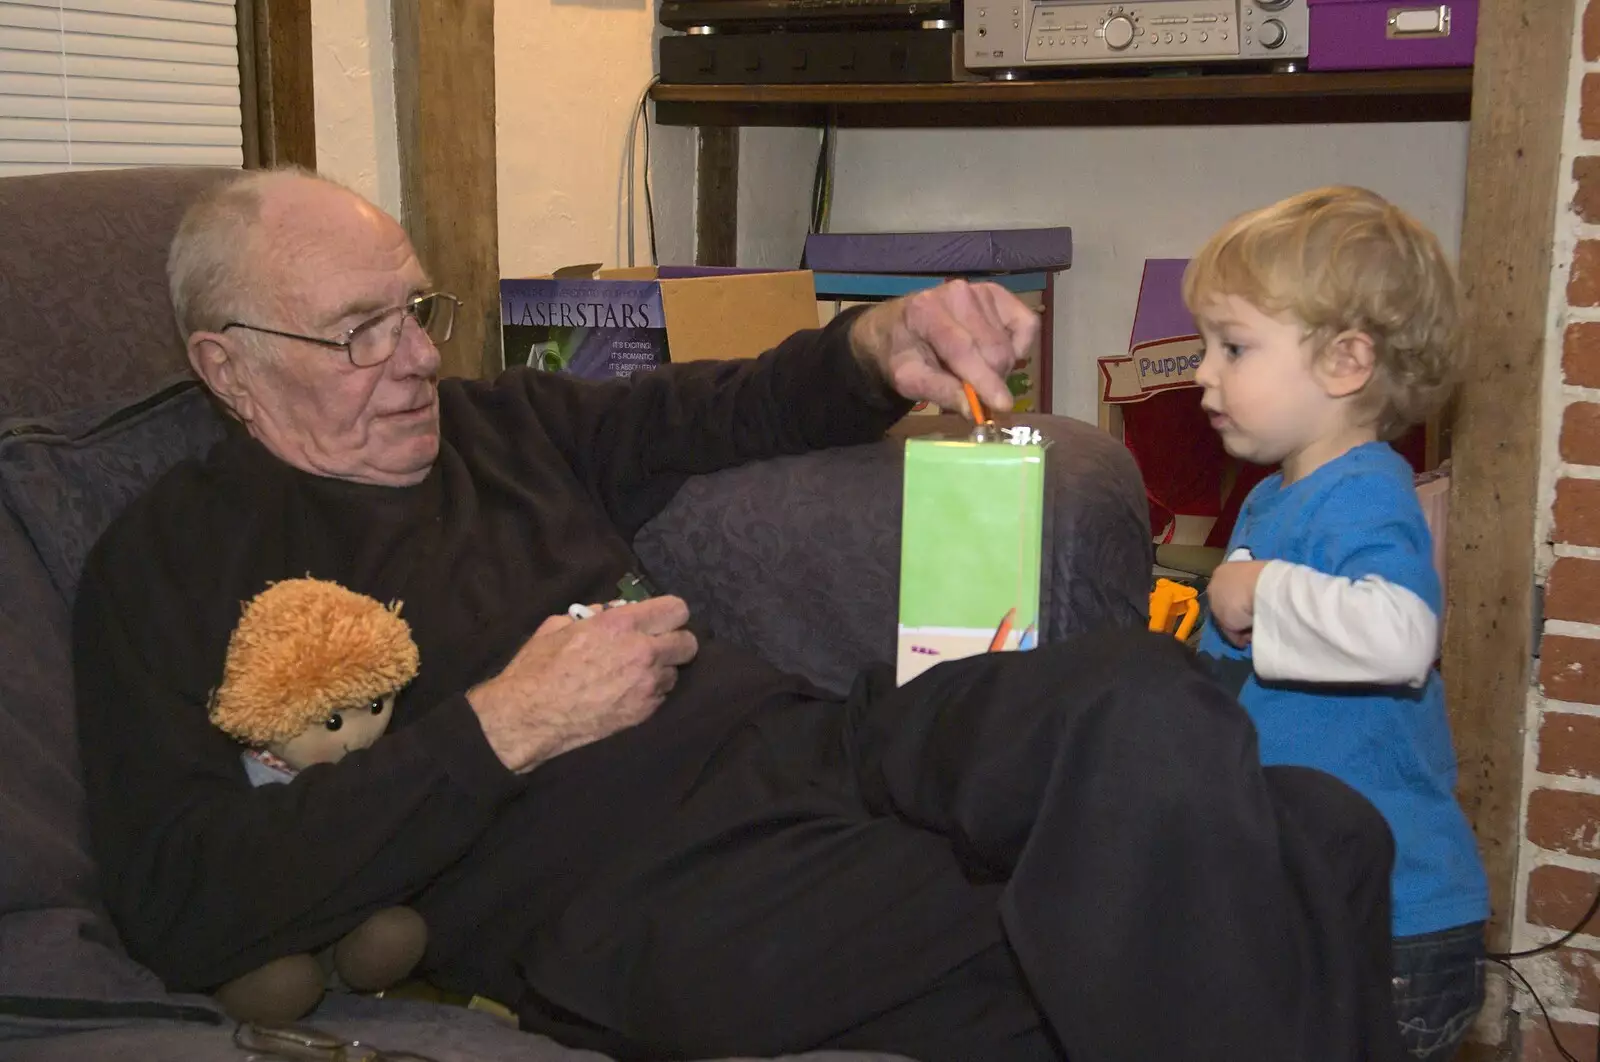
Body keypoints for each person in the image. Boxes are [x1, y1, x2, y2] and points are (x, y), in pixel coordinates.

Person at [74, 167, 1401, 1062]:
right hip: (638, 900)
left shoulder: (498, 426)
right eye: (359, 332)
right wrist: (503, 724)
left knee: (1139, 693)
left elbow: (715, 407)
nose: (418, 355)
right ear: (228, 367)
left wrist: (875, 349)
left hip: (825, 744)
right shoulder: (171, 565)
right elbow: (180, 900)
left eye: (416, 308)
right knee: (1307, 839)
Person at [1187, 186, 1490, 1060]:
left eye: (1234, 345)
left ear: (1346, 362)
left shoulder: (1363, 493)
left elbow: (1401, 635)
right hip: (1314, 897)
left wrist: (1264, 590)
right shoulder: (1281, 494)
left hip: (1390, 925)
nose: (1204, 371)